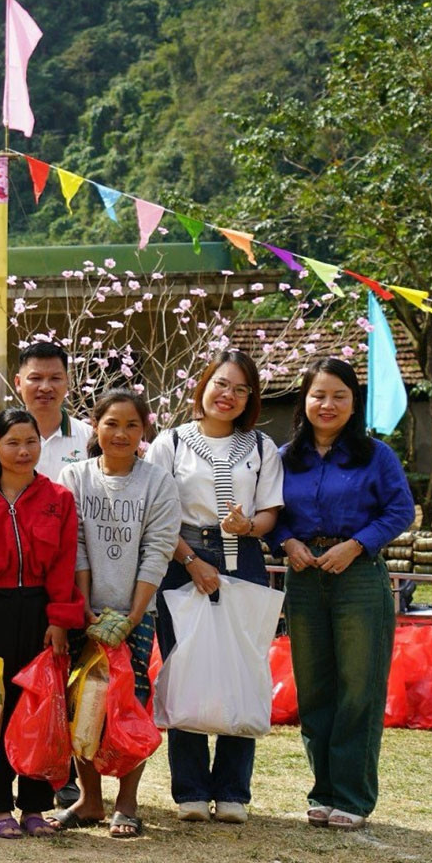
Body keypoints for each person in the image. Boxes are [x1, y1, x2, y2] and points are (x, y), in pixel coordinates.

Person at [274, 358, 414, 832]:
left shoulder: (377, 456)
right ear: (304, 401)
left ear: (354, 403)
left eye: (339, 396)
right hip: (304, 577)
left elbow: (400, 511)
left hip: (357, 578)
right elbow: (271, 513)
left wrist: (356, 546)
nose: (327, 404)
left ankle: (352, 796)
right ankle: (323, 792)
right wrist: (287, 541)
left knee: (359, 687)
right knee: (315, 689)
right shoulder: (284, 456)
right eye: (318, 395)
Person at [146, 349, 282, 826]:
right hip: (180, 558)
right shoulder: (172, 442)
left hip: (242, 558)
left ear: (251, 398)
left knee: (241, 666)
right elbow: (159, 512)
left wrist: (248, 527)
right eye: (221, 384)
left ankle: (232, 791)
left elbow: (270, 512)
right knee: (185, 665)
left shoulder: (262, 447)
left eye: (241, 389)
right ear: (202, 386)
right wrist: (191, 560)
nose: (229, 395)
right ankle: (189, 790)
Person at [0, 407, 86, 839]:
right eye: (13, 443)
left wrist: (60, 619)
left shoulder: (57, 499)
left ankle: (36, 806)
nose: (23, 451)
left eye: (31, 442)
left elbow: (65, 563)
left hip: (42, 613)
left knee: (41, 709)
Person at [54, 390, 180, 838]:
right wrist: (86, 607)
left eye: (131, 425)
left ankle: (127, 800)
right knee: (81, 697)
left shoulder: (158, 483)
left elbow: (158, 551)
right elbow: (76, 546)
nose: (121, 433)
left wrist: (132, 615)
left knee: (133, 702)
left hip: (137, 611)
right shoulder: (75, 476)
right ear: (96, 426)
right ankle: (89, 800)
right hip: (83, 609)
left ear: (144, 429)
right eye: (112, 423)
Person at [10, 340, 94, 476]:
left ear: (68, 382)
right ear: (18, 383)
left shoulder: (89, 439)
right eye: (36, 378)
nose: (45, 387)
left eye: (55, 378)